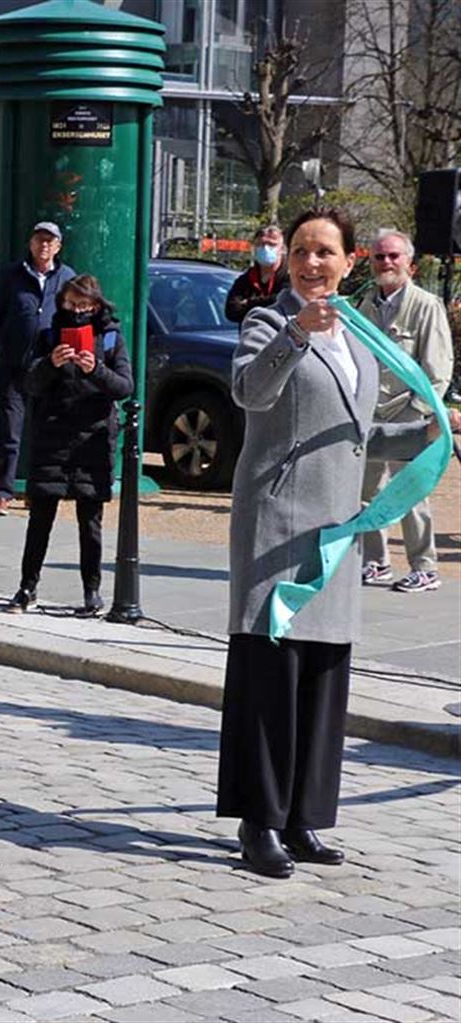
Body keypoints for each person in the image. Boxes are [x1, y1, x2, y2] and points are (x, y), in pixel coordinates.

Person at [217, 206, 458, 879]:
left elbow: (359, 436)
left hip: (339, 529)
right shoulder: (268, 321)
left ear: (350, 261)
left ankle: (301, 817)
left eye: (325, 251)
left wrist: (435, 434)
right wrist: (294, 332)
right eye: (300, 250)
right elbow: (249, 392)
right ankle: (257, 820)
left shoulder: (358, 337)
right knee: (271, 673)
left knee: (321, 676)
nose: (311, 263)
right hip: (276, 521)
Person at [5, 275, 133, 618]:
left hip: (92, 438)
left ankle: (92, 592)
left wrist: (97, 370)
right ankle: (27, 586)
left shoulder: (109, 337)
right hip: (53, 435)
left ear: (95, 305)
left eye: (84, 305)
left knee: (90, 519)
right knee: (40, 517)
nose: (77, 311)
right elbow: (29, 382)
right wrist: (52, 363)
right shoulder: (49, 335)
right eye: (71, 304)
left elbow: (125, 386)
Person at [356, 228, 453, 594]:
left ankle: (424, 567)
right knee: (366, 491)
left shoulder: (426, 305)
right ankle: (375, 562)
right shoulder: (364, 303)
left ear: (409, 263)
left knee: (411, 494)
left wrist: (418, 415)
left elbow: (438, 369)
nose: (386, 263)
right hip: (370, 415)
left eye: (394, 256)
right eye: (380, 256)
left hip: (410, 416)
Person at [0, 222, 75, 515]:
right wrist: (11, 345)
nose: (44, 246)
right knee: (10, 431)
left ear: (58, 246)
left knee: (44, 431)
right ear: (31, 243)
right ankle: (2, 494)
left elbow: (73, 315)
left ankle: (39, 491)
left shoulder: (66, 278)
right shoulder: (12, 275)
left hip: (49, 367)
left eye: (50, 241)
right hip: (16, 365)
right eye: (39, 240)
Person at [224, 224, 288, 323]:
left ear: (282, 249)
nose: (265, 248)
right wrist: (267, 302)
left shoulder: (291, 278)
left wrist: (248, 302)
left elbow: (284, 302)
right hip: (251, 336)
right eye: (261, 244)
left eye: (272, 244)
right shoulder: (245, 280)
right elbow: (232, 312)